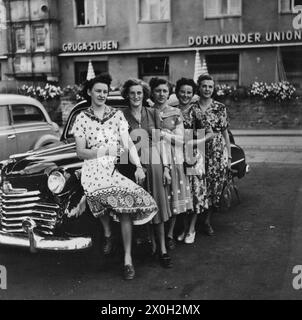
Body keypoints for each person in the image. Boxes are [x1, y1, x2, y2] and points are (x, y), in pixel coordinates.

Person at [71, 74, 158, 280]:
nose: (102, 94)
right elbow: (81, 152)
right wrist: (106, 151)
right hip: (92, 171)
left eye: (105, 91)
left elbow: (127, 143)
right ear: (89, 92)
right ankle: (108, 232)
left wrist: (138, 166)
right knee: (97, 195)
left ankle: (127, 259)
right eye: (98, 91)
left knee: (127, 204)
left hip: (112, 170)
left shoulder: (117, 115)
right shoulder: (81, 118)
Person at [121, 78, 173, 268]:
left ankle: (162, 249)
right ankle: (143, 246)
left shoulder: (153, 112)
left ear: (144, 95)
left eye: (139, 93)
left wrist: (166, 168)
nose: (136, 96)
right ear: (127, 95)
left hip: (154, 164)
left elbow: (161, 143)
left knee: (157, 206)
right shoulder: (121, 115)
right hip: (131, 166)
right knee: (136, 207)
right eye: (132, 93)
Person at [149, 77, 193, 249]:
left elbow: (182, 139)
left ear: (169, 93)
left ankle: (169, 235)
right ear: (152, 92)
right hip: (153, 158)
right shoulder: (147, 111)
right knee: (157, 197)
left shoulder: (175, 113)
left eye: (165, 91)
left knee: (173, 195)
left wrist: (164, 134)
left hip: (173, 158)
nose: (161, 94)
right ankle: (153, 237)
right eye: (158, 90)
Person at [174, 77, 214, 243]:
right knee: (183, 193)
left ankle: (191, 229)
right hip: (176, 156)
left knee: (195, 193)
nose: (185, 95)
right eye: (182, 91)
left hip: (193, 156)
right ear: (177, 92)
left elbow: (210, 133)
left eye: (189, 92)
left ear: (193, 94)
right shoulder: (172, 110)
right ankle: (183, 228)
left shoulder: (196, 111)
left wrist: (194, 141)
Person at [196, 74, 232, 235]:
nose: (207, 89)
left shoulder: (219, 107)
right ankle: (195, 220)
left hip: (216, 150)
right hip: (197, 149)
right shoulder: (193, 106)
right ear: (199, 87)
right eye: (204, 86)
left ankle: (207, 221)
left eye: (210, 86)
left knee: (214, 185)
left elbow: (225, 133)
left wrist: (229, 157)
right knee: (198, 184)